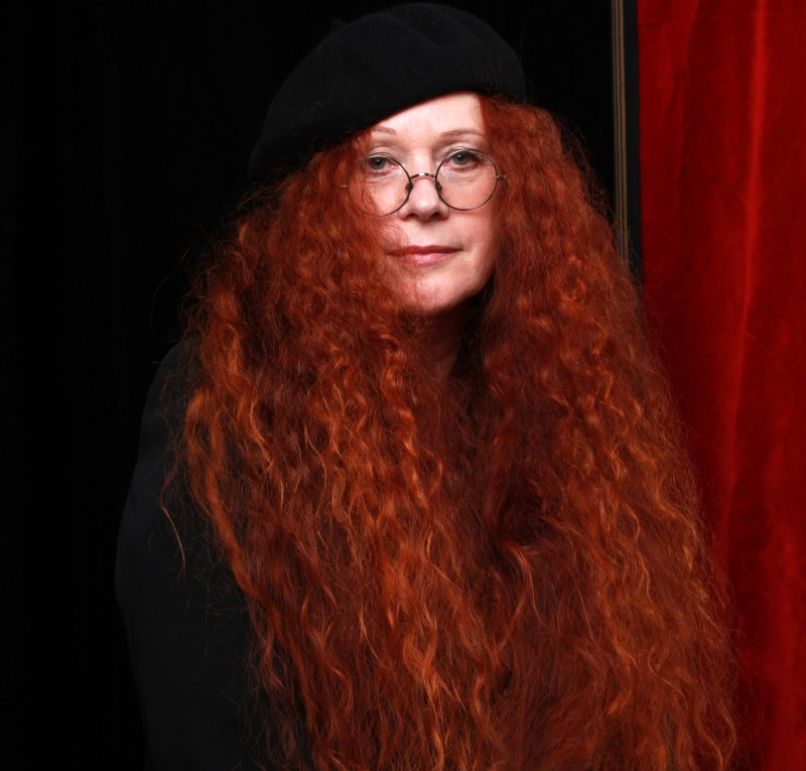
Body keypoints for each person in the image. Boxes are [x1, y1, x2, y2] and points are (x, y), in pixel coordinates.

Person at [115, 4, 737, 770]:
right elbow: (205, 730)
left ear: (519, 191)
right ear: (320, 206)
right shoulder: (223, 410)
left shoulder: (565, 400)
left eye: (462, 157)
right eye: (379, 163)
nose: (425, 197)